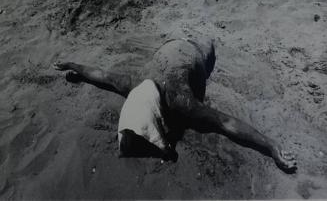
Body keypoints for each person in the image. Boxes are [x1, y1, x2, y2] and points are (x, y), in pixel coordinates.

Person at [54, 36, 297, 173]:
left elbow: (226, 122)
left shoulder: (180, 101)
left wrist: (271, 146)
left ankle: (210, 38)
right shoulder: (136, 84)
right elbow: (102, 76)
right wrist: (74, 66)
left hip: (193, 49)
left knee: (209, 45)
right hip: (168, 45)